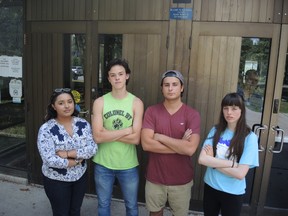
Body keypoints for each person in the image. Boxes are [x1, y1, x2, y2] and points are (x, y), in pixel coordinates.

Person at [141, 70, 201, 216]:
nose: (170, 88)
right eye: (166, 85)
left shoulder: (192, 114)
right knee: (155, 213)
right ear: (162, 88)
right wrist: (180, 145)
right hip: (155, 178)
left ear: (182, 88)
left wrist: (161, 137)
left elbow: (190, 149)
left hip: (181, 180)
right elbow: (147, 144)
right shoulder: (152, 111)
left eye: (175, 84)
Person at [91, 58, 144, 216]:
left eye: (120, 74)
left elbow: (136, 139)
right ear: (108, 78)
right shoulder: (100, 102)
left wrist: (107, 133)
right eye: (113, 75)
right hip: (103, 164)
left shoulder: (136, 103)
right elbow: (97, 137)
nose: (117, 78)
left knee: (131, 206)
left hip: (128, 164)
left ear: (127, 76)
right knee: (103, 204)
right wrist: (126, 130)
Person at [37, 88, 97, 216]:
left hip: (79, 177)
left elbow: (92, 149)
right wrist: (76, 161)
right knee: (61, 213)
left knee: (75, 211)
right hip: (56, 180)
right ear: (53, 106)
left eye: (70, 101)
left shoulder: (83, 124)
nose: (66, 106)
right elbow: (49, 159)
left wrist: (68, 153)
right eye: (61, 103)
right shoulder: (46, 129)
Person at [198, 92, 259, 216]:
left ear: (242, 111)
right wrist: (232, 164)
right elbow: (202, 159)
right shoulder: (215, 130)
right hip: (211, 186)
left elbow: (240, 173)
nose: (229, 112)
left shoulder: (249, 137)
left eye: (234, 108)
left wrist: (213, 161)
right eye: (226, 108)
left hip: (233, 192)